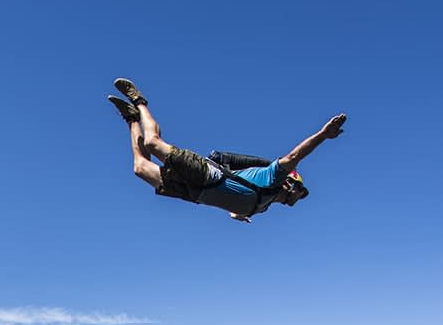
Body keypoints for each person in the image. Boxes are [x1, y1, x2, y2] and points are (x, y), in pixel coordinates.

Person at [108, 77, 346, 222]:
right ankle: (139, 102)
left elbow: (236, 210)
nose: (297, 199)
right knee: (152, 144)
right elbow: (296, 155)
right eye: (299, 192)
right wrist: (324, 135)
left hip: (194, 194)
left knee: (140, 168)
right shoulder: (273, 176)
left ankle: (131, 119)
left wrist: (237, 215)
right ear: (291, 183)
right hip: (207, 174)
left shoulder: (262, 208)